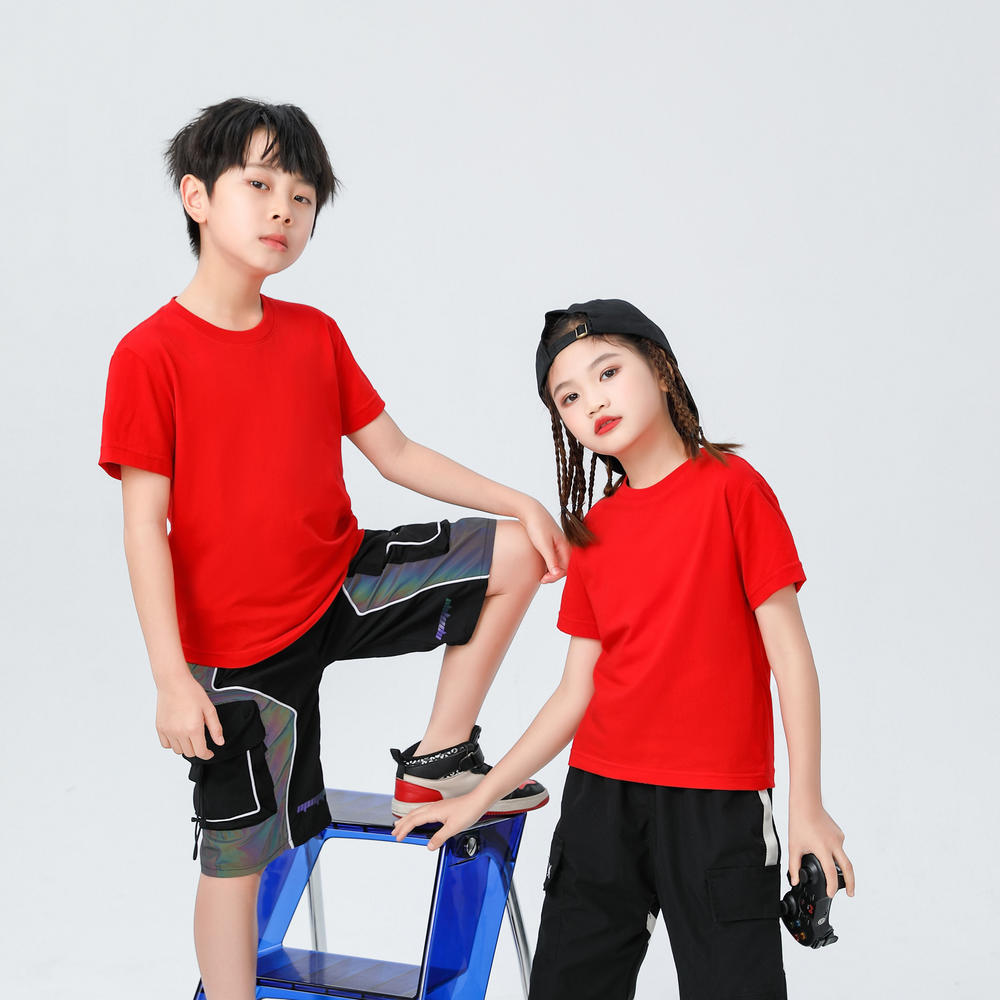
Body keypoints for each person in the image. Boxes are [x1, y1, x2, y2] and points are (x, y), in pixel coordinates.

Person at [98, 97, 564, 1000]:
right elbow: (142, 526)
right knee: (237, 856)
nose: (284, 210)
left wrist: (518, 502)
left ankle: (435, 761)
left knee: (513, 556)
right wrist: (169, 677)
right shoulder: (149, 354)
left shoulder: (314, 335)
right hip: (238, 651)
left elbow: (396, 453)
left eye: (304, 197)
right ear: (196, 197)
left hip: (341, 582)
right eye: (259, 185)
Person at [393, 299, 856, 999]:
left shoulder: (735, 491)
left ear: (660, 368)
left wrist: (806, 805)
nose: (593, 402)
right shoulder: (595, 530)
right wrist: (479, 797)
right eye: (569, 397)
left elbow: (791, 660)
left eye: (607, 372)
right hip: (600, 801)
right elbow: (575, 692)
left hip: (718, 804)